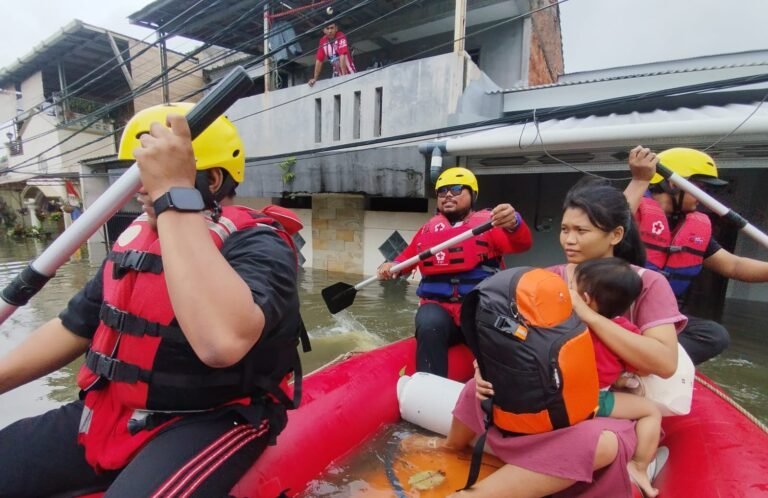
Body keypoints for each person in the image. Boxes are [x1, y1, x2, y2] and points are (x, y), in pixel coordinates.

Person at [0, 103, 305, 497]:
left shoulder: (259, 244)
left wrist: (172, 196)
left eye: (153, 174)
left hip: (212, 417)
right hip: (113, 411)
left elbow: (222, 342)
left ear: (211, 180)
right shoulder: (136, 241)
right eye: (139, 174)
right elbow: (72, 326)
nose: (141, 188)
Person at [430, 178, 684, 497]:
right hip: (540, 395)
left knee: (599, 443)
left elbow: (663, 363)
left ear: (616, 235)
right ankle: (450, 448)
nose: (569, 240)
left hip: (595, 405)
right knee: (474, 389)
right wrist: (484, 368)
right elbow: (506, 335)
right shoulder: (547, 278)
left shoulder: (647, 284)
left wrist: (589, 315)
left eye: (581, 231)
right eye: (565, 230)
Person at [377, 167, 532, 377]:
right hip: (439, 310)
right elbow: (406, 258)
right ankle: (430, 387)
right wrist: (390, 266)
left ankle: (496, 386)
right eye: (442, 191)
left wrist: (514, 223)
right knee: (428, 321)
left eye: (457, 189)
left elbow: (521, 243)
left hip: (478, 308)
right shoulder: (427, 230)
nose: (448, 195)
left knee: (502, 332)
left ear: (472, 195)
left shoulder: (490, 224)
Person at [624, 146, 768, 364]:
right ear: (673, 184)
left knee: (714, 336)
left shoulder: (692, 228)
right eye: (700, 188)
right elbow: (609, 225)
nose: (705, 197)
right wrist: (639, 180)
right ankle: (637, 358)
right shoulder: (629, 212)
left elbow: (734, 266)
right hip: (617, 310)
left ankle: (650, 361)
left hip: (656, 319)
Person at [572, 257, 662, 498]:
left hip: (558, 395)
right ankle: (639, 466)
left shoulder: (564, 322)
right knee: (650, 411)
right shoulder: (627, 333)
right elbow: (640, 367)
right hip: (596, 401)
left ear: (585, 299)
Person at [307, 22, 356, 86]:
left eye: (332, 28)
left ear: (336, 29)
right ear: (324, 30)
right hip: (337, 76)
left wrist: (344, 77)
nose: (330, 31)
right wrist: (315, 78)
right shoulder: (322, 41)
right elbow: (319, 60)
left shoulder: (340, 36)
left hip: (350, 73)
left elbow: (342, 56)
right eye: (327, 28)